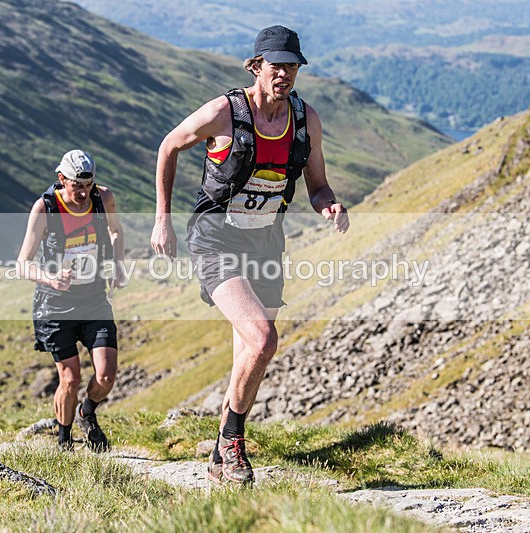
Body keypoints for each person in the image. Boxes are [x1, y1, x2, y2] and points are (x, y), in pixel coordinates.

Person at [150, 25, 350, 485]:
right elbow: (169, 146)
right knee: (263, 339)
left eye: (292, 65)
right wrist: (162, 217)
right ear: (255, 67)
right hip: (217, 237)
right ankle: (233, 441)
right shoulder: (225, 112)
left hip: (267, 241)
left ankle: (222, 453)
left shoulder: (305, 119)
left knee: (250, 354)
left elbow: (318, 186)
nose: (284, 73)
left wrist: (331, 206)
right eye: (275, 64)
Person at [17, 149, 126, 452]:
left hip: (93, 297)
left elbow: (116, 232)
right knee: (70, 378)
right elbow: (22, 263)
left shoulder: (103, 199)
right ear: (61, 179)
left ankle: (86, 412)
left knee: (105, 374)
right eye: (76, 185)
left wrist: (118, 264)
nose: (82, 192)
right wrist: (50, 279)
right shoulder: (46, 208)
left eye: (87, 185)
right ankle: (64, 440)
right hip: (55, 304)